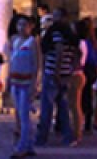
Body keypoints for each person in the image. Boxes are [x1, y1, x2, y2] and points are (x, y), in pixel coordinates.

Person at [35, 8, 78, 147]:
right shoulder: (71, 36)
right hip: (65, 74)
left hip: (54, 74)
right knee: (63, 108)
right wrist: (70, 71)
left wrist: (56, 72)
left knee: (47, 108)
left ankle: (41, 138)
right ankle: (68, 137)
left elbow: (58, 51)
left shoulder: (57, 33)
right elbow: (76, 55)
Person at [6, 15, 40, 159]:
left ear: (30, 26)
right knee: (19, 114)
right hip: (15, 81)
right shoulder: (14, 40)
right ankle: (29, 144)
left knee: (24, 115)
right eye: (19, 24)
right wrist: (7, 80)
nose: (21, 28)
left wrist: (34, 84)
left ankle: (22, 147)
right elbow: (11, 61)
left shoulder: (33, 42)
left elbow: (36, 64)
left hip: (26, 83)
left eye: (24, 25)